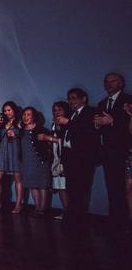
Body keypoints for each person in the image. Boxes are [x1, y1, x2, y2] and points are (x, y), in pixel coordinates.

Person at [56, 88, 98, 225]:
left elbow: (87, 131)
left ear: (83, 98)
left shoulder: (90, 112)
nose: (71, 101)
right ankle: (73, 218)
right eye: (69, 99)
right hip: (70, 158)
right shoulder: (72, 114)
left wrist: (68, 123)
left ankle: (79, 220)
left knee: (82, 190)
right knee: (72, 190)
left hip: (83, 159)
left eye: (74, 98)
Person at [95, 72, 131, 230]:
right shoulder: (102, 103)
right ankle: (114, 220)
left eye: (113, 81)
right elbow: (98, 127)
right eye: (106, 81)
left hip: (125, 151)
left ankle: (125, 222)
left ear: (121, 83)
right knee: (111, 186)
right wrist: (97, 124)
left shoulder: (129, 100)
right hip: (108, 152)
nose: (109, 84)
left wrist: (113, 121)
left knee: (125, 188)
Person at [17, 107, 55, 216]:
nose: (25, 117)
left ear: (34, 116)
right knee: (32, 185)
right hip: (27, 162)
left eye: (28, 114)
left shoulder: (42, 129)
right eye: (24, 115)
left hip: (40, 161)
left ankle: (43, 209)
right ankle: (37, 208)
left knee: (43, 184)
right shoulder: (20, 131)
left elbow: (51, 145)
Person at [49, 101, 69, 216]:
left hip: (65, 159)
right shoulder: (54, 124)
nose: (57, 112)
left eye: (59, 110)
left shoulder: (68, 123)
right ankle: (66, 211)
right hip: (56, 159)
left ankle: (70, 212)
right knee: (60, 186)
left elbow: (66, 141)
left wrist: (49, 138)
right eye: (55, 110)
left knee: (66, 187)